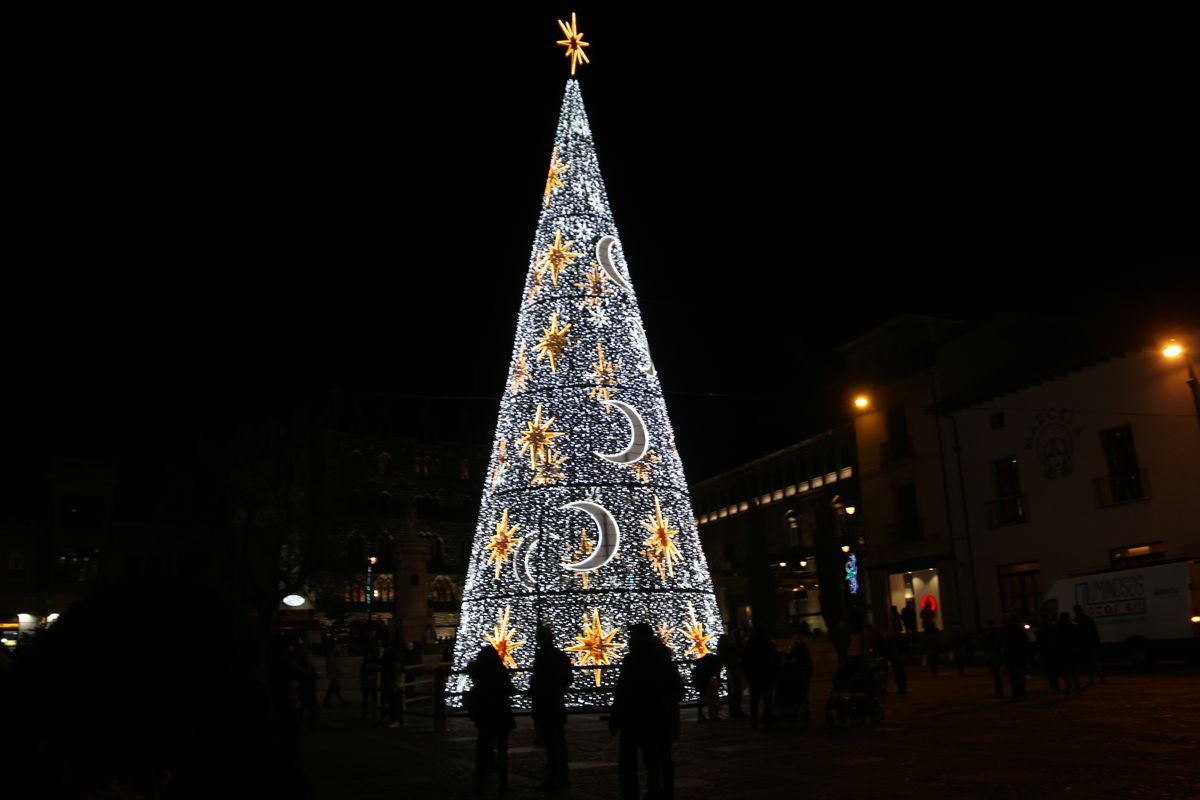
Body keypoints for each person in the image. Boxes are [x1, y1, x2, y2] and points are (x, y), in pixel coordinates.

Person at [609, 622, 684, 800]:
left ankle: (636, 793)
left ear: (637, 638)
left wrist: (616, 717)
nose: (628, 640)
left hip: (636, 718)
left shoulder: (633, 659)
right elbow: (678, 689)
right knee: (660, 758)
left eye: (631, 636)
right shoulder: (665, 658)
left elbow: (623, 691)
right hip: (662, 717)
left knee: (631, 760)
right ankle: (663, 792)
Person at [467, 644, 517, 794]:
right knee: (502, 750)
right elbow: (509, 688)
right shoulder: (500, 670)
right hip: (501, 714)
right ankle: (503, 783)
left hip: (486, 715)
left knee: (483, 748)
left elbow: (471, 667)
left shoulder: (478, 672)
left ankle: (480, 783)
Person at [529, 625, 573, 793]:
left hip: (545, 704)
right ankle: (562, 777)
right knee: (558, 741)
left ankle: (554, 779)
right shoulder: (560, 656)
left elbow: (537, 680)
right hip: (556, 703)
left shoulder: (542, 657)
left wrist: (537, 691)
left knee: (551, 743)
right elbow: (568, 679)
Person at [741, 627, 780, 730]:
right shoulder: (768, 643)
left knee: (755, 700)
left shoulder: (750, 644)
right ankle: (766, 722)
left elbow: (745, 661)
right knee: (767, 700)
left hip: (755, 675)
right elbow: (775, 659)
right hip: (767, 674)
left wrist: (747, 675)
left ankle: (754, 723)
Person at [1073, 604, 1105, 687]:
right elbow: (1095, 632)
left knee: (1087, 663)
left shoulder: (1075, 620)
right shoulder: (1088, 618)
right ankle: (1101, 677)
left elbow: (1075, 634)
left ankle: (1091, 680)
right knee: (1095, 662)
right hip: (1091, 643)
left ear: (1075, 611)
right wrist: (1097, 642)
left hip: (1083, 645)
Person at [716, 630, 745, 718]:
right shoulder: (732, 648)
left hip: (730, 670)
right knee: (736, 690)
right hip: (734, 669)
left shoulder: (723, 650)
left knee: (733, 690)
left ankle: (733, 709)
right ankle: (736, 710)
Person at [690, 651, 722, 721]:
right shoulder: (715, 663)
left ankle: (702, 714)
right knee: (711, 698)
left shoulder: (703, 663)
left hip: (700, 678)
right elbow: (716, 673)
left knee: (703, 696)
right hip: (704, 679)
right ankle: (713, 715)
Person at [982, 618, 1005, 698]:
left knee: (996, 675)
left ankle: (999, 691)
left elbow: (992, 645)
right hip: (995, 656)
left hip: (994, 656)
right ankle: (999, 691)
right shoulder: (996, 632)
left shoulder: (993, 633)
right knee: (996, 675)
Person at [322, 641, 349, 707]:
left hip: (332, 675)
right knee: (334, 689)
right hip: (333, 675)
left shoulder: (331, 656)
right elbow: (334, 666)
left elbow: (333, 666)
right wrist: (340, 673)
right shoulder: (332, 657)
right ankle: (341, 701)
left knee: (333, 689)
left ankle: (328, 702)